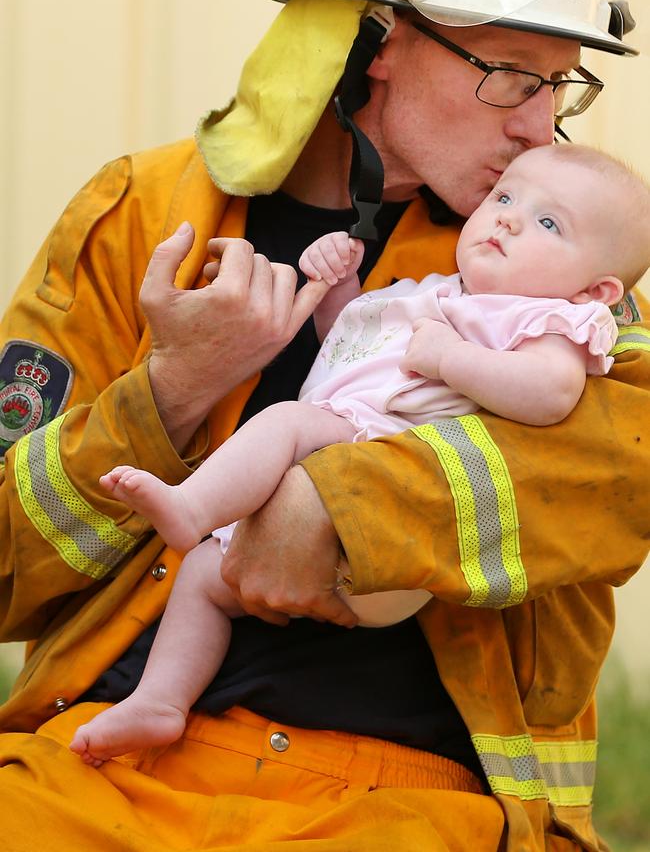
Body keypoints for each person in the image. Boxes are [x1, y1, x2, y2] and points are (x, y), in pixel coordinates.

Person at [1, 0, 650, 849]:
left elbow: (621, 472)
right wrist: (169, 394)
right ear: (372, 43)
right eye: (508, 74)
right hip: (101, 768)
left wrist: (343, 507)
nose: (536, 127)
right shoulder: (139, 216)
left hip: (406, 801)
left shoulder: (556, 263)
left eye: (558, 83)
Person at [67, 141, 650, 767]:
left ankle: (188, 508)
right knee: (205, 580)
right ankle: (159, 701)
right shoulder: (432, 294)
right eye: (504, 197)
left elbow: (551, 394)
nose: (507, 217)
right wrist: (341, 286)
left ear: (596, 289)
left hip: (387, 541)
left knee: (286, 420)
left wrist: (449, 358)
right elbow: (351, 349)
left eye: (548, 222)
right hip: (340, 479)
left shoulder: (547, 321)